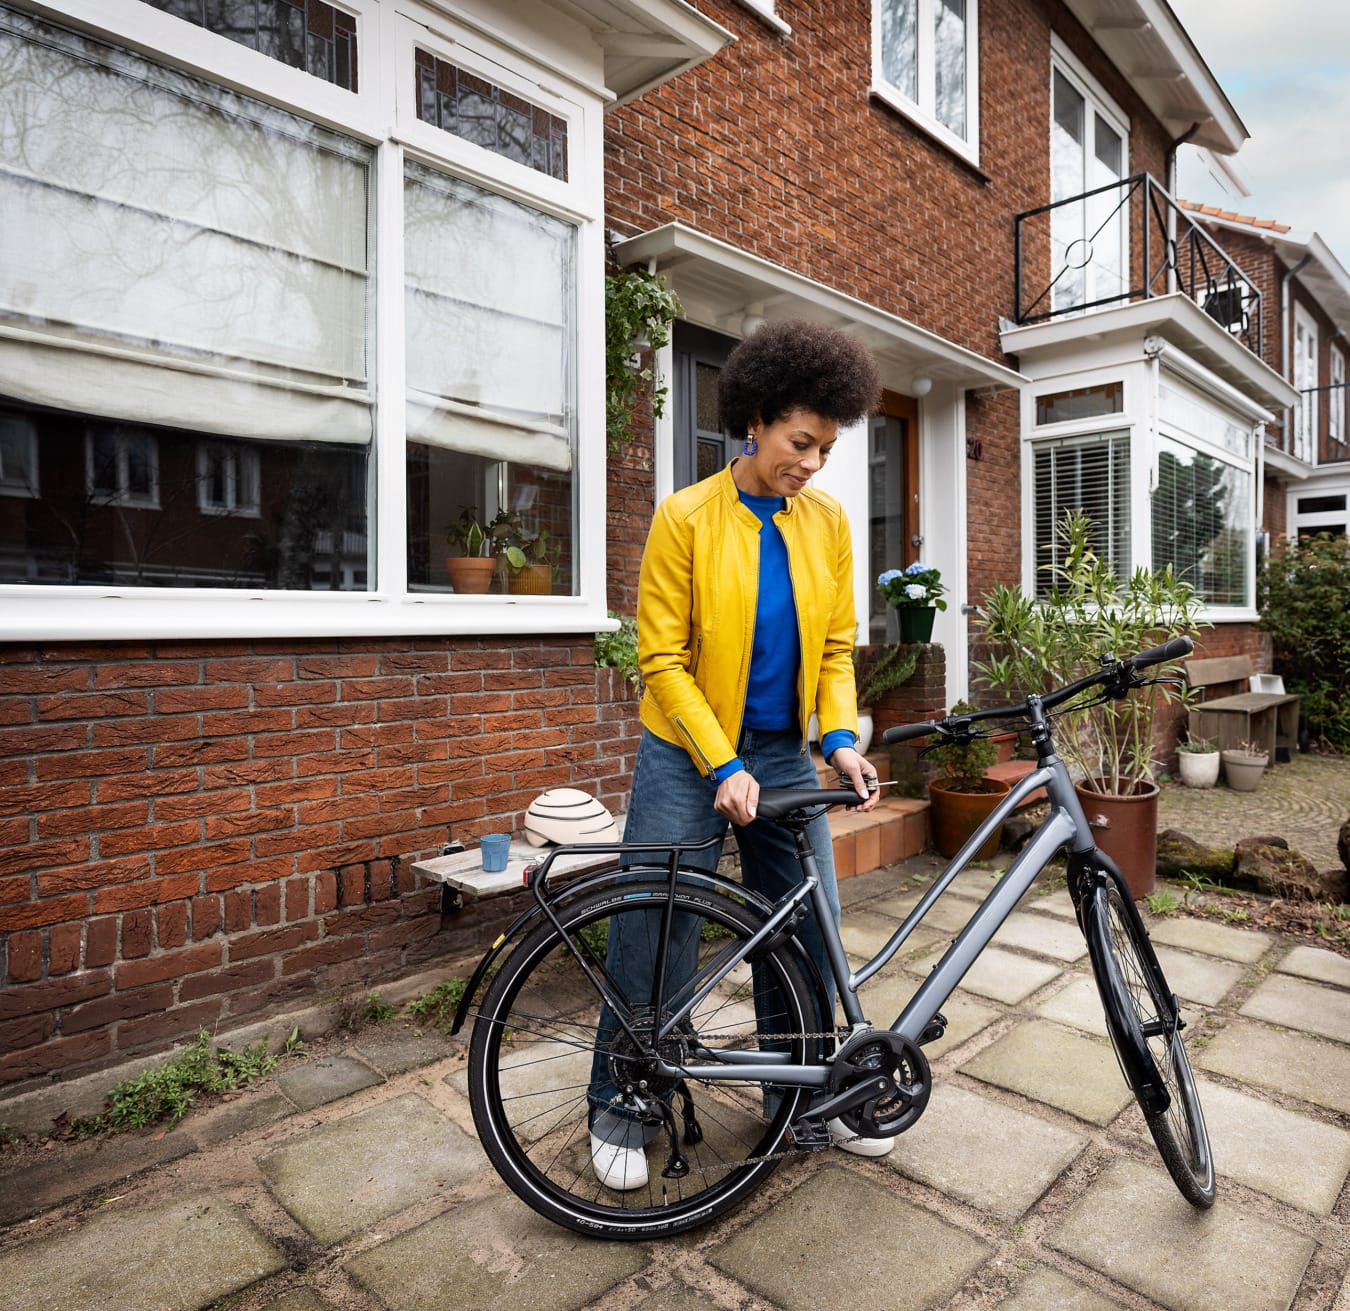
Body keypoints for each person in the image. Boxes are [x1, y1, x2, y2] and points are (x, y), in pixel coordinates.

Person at [588, 319, 891, 1190]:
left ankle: (803, 1101)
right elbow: (663, 662)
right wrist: (723, 765)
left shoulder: (827, 523)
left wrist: (838, 740)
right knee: (659, 920)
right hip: (687, 751)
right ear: (756, 420)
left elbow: (835, 649)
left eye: (828, 449)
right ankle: (621, 1102)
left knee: (804, 926)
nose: (813, 463)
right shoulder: (684, 517)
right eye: (803, 441)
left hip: (786, 756)